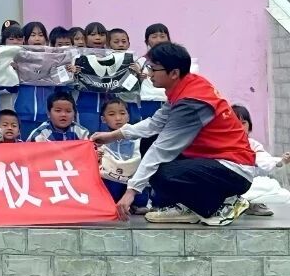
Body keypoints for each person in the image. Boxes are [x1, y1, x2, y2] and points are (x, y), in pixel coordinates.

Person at [91, 42, 256, 226]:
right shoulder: (185, 86)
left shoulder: (191, 102)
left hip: (233, 169)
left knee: (162, 173)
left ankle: (222, 205)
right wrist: (112, 136)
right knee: (148, 142)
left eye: (154, 69)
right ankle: (188, 206)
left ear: (174, 73)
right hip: (212, 161)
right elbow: (154, 124)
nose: (149, 74)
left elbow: (162, 149)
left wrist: (131, 192)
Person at [96, 97, 150, 213]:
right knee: (107, 188)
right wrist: (95, 157)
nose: (118, 118)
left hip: (132, 181)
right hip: (111, 180)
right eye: (112, 114)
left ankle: (136, 205)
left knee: (141, 197)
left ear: (128, 117)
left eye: (122, 113)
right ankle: (110, 204)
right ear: (103, 119)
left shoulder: (139, 139)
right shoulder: (98, 140)